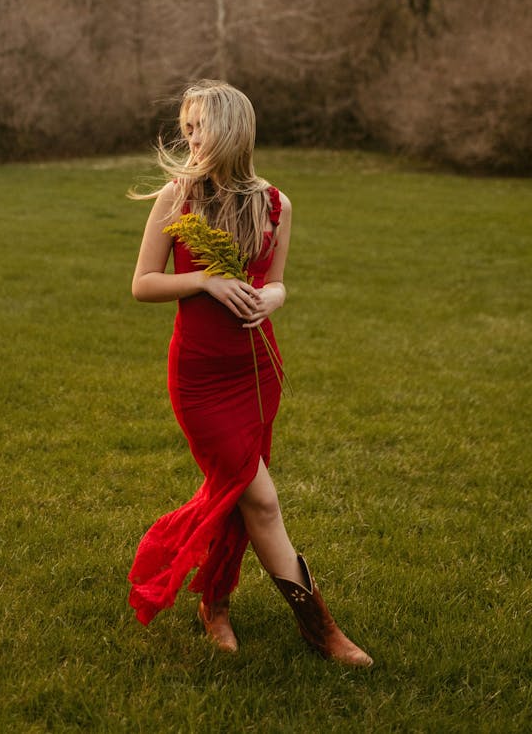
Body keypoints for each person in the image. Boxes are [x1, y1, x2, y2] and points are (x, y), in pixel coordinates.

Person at [127, 79, 372, 666]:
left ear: (230, 131)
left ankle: (214, 602)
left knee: (238, 495)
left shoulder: (276, 205)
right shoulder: (177, 199)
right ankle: (321, 630)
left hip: (258, 372)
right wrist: (205, 280)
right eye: (184, 127)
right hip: (201, 378)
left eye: (197, 126)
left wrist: (274, 299)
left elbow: (277, 281)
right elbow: (142, 285)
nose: (188, 137)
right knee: (259, 498)